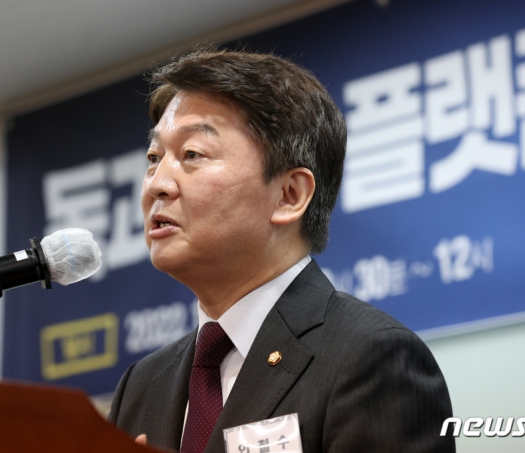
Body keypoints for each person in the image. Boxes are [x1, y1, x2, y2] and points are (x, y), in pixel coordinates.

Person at [109, 47, 455, 453]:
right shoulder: (141, 385)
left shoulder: (371, 356)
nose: (156, 184)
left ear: (289, 195)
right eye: (154, 157)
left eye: (192, 155)